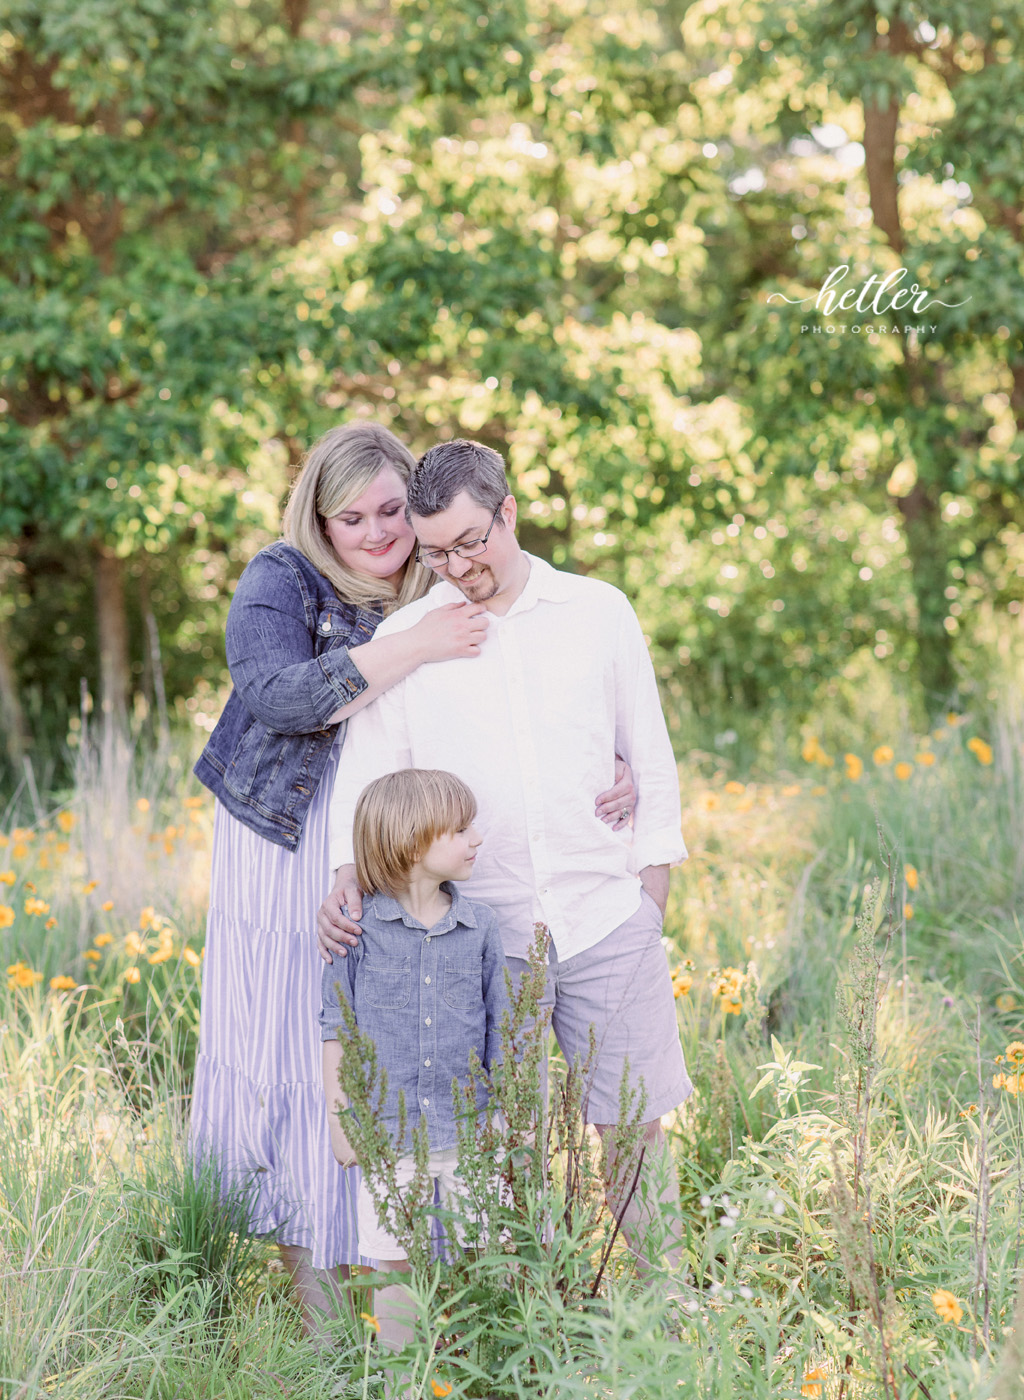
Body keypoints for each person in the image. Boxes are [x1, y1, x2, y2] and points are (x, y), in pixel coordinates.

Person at [190, 422, 635, 1328]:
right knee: (291, 1042)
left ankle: (402, 1279)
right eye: (350, 518)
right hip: (286, 831)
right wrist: (413, 644)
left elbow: (534, 672)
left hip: (405, 839)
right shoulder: (284, 577)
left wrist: (612, 765)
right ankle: (314, 1297)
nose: (377, 532)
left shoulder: (441, 568)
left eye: (392, 509)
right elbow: (274, 696)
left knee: (388, 1039)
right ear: (316, 517)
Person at [319, 438, 692, 1275]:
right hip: (483, 937)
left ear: (508, 513)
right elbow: (372, 775)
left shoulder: (598, 611)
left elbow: (651, 752)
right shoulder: (413, 636)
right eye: (437, 550)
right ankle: (529, 1309)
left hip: (606, 917)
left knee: (633, 1128)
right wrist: (345, 873)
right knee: (503, 1141)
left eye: (470, 542)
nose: (456, 565)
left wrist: (651, 894)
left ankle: (670, 1306)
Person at [319, 768, 509, 1359]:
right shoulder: (359, 932)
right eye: (459, 829)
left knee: (477, 1253)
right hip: (386, 1134)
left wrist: (507, 1120)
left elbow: (501, 1030)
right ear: (410, 843)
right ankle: (404, 1379)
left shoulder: (480, 929)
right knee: (394, 1261)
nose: (476, 838)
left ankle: (472, 1371)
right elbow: (337, 1030)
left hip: (468, 1130)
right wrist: (339, 1123)